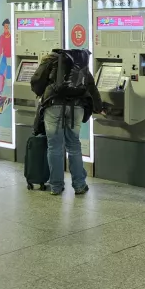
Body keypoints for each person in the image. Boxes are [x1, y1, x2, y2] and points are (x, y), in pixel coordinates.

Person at [30, 50, 102, 196]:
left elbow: (36, 83)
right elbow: (91, 85)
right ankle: (79, 185)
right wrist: (99, 107)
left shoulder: (50, 61)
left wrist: (42, 91)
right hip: (77, 107)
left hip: (54, 105)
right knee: (74, 145)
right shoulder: (80, 63)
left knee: (54, 147)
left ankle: (56, 186)